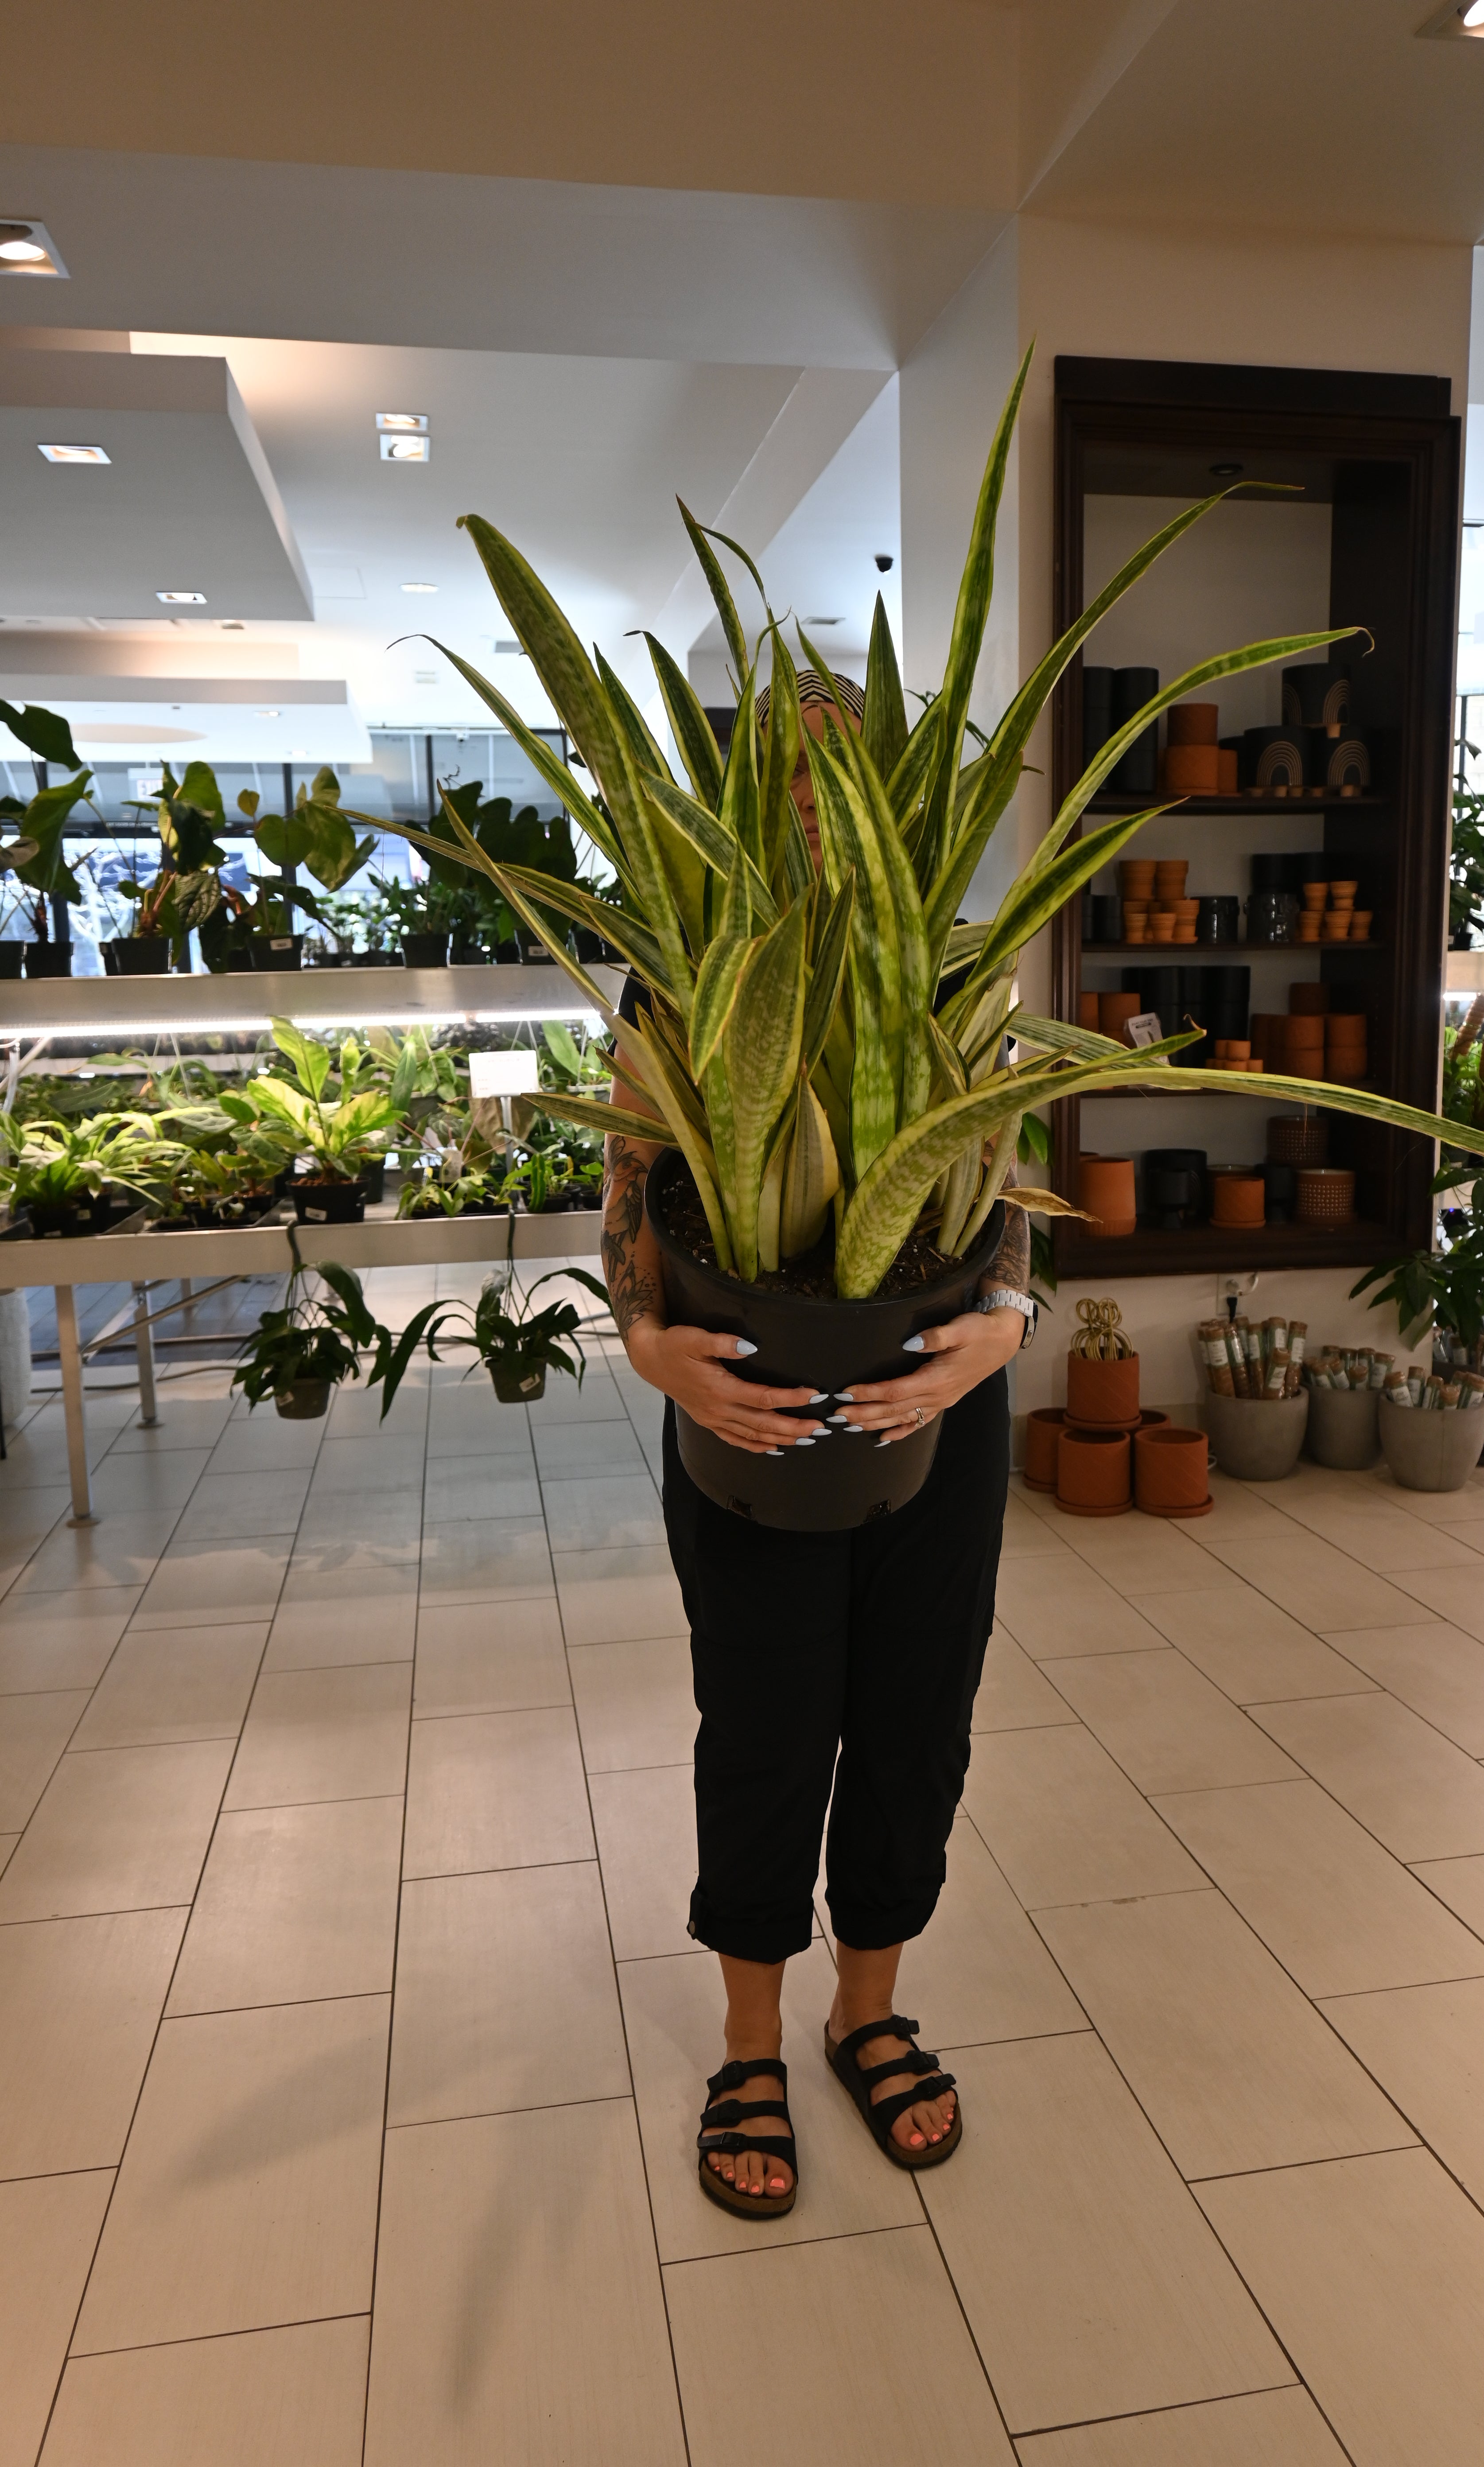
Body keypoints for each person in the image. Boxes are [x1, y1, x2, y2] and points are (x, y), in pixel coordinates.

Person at [602, 673, 1035, 2218]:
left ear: (896, 791)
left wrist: (1010, 1325)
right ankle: (747, 2043)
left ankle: (870, 2010)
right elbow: (635, 1195)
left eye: (844, 772)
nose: (815, 803)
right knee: (771, 1723)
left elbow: (1003, 1187)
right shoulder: (686, 974)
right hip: (749, 1403)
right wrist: (657, 1353)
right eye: (787, 777)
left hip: (940, 1398)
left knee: (919, 1713)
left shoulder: (955, 967)